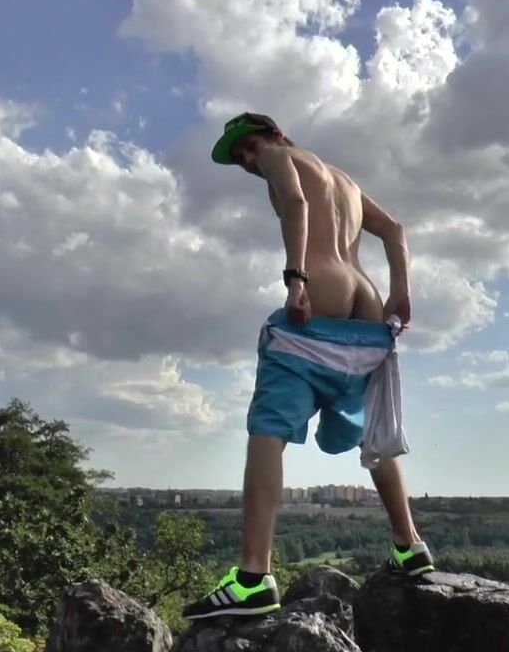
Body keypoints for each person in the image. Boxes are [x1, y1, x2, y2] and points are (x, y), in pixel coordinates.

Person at [181, 113, 434, 621]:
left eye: (250, 146)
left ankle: (253, 578)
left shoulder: (282, 157)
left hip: (320, 294)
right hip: (366, 310)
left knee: (268, 427)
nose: (248, 159)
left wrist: (296, 278)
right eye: (240, 157)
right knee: (374, 432)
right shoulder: (346, 183)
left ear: (276, 135)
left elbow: (295, 202)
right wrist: (401, 291)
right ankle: (411, 547)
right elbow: (394, 230)